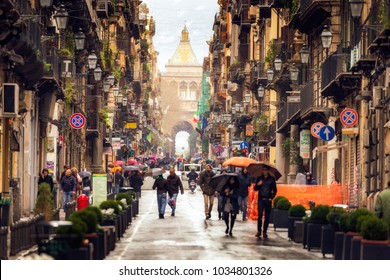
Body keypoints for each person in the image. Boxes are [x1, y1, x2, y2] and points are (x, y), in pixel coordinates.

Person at [254, 165, 277, 239]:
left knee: (267, 216)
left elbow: (275, 190)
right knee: (260, 215)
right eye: (263, 170)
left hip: (268, 199)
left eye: (266, 170)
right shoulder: (259, 178)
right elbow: (255, 188)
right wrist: (258, 184)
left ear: (268, 171)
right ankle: (259, 231)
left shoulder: (272, 179)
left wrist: (271, 197)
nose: (264, 171)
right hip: (261, 199)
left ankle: (265, 231)